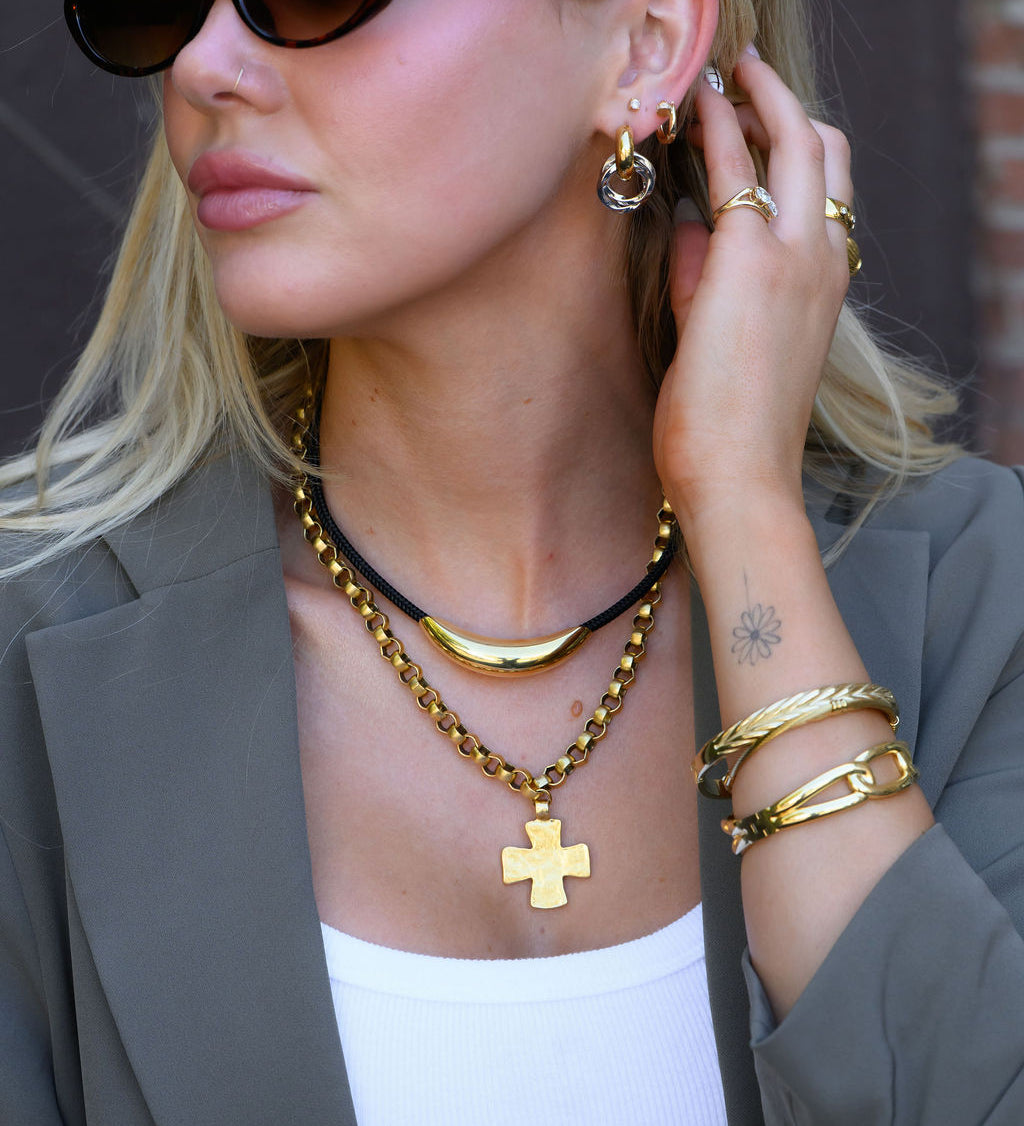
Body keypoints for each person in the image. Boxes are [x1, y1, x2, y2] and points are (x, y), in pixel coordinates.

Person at [2, 0, 1023, 1122]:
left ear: (643, 44)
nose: (200, 65)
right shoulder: (36, 669)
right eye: (152, 2)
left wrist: (744, 503)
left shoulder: (979, 598)